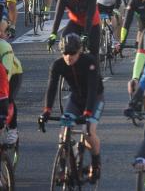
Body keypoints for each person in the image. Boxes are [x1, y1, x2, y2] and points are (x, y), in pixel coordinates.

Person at [41, 33, 104, 183]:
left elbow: (92, 88)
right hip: (76, 99)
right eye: (65, 53)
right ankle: (63, 170)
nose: (68, 57)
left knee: (88, 131)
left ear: (80, 51)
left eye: (72, 53)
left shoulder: (89, 61)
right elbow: (51, 88)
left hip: (94, 98)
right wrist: (46, 111)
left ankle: (95, 164)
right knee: (63, 135)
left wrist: (87, 113)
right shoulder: (58, 65)